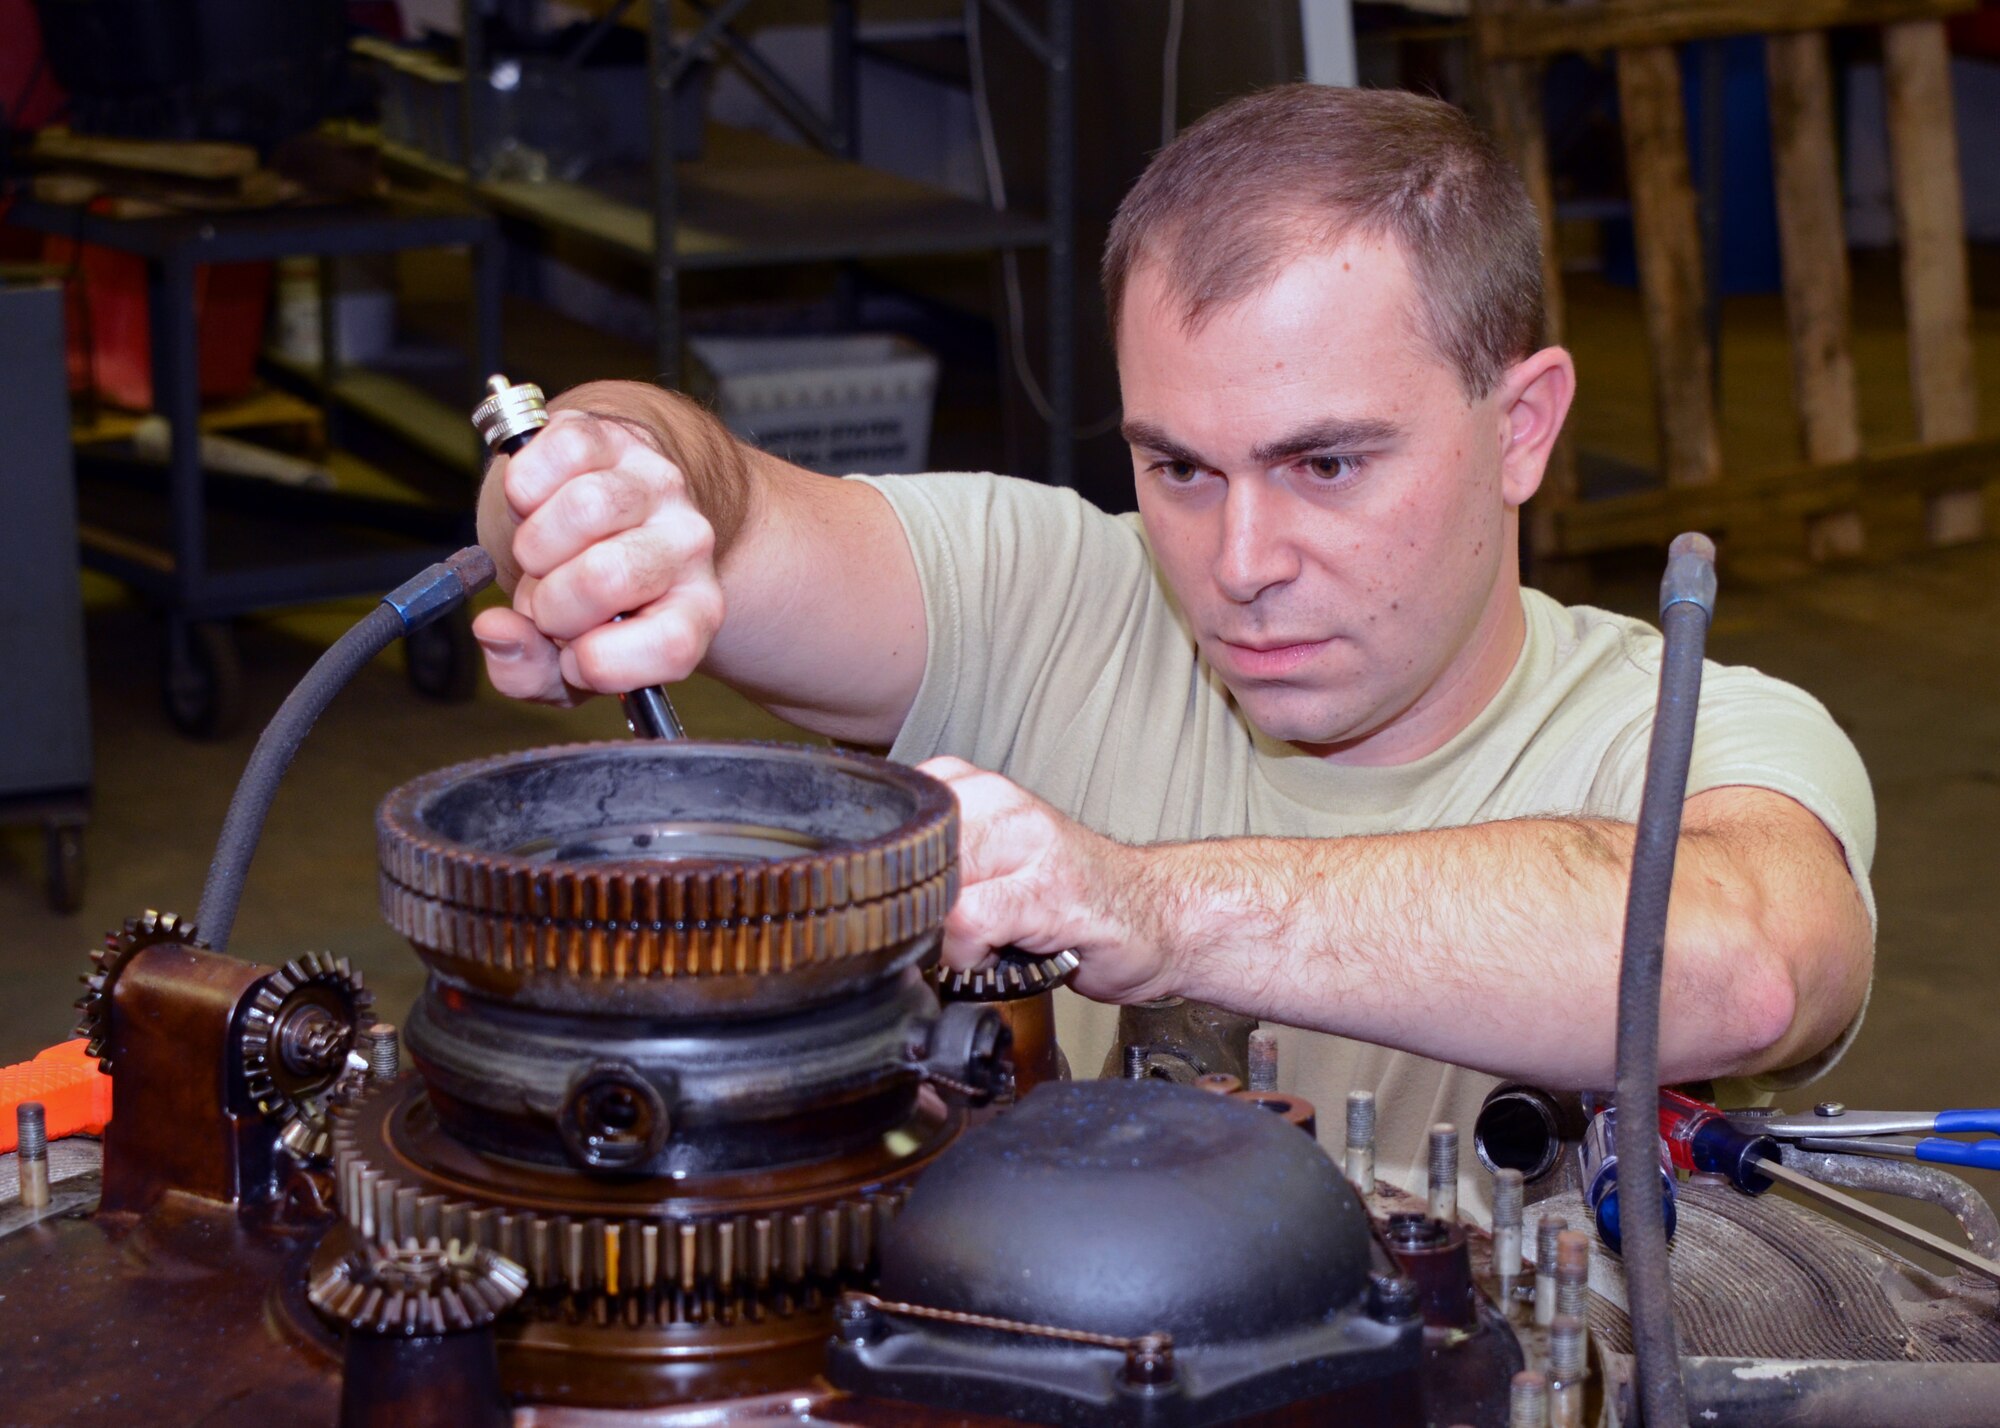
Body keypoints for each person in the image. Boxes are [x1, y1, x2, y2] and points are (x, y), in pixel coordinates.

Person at [472, 84, 1875, 1207]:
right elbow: (724, 509)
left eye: (1327, 465)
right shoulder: (1059, 594)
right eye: (1181, 469)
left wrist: (1150, 905)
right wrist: (604, 480)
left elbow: (1741, 963)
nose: (1241, 564)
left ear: (1521, 427)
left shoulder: (1685, 732)